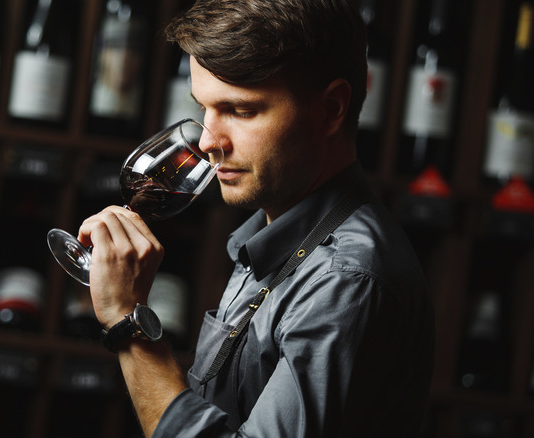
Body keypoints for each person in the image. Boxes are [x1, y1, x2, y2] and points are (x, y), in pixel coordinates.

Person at [76, 0, 435, 436]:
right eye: (203, 107)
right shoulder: (278, 233)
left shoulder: (347, 280)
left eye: (241, 110)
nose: (208, 142)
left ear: (332, 109)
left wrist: (127, 320)